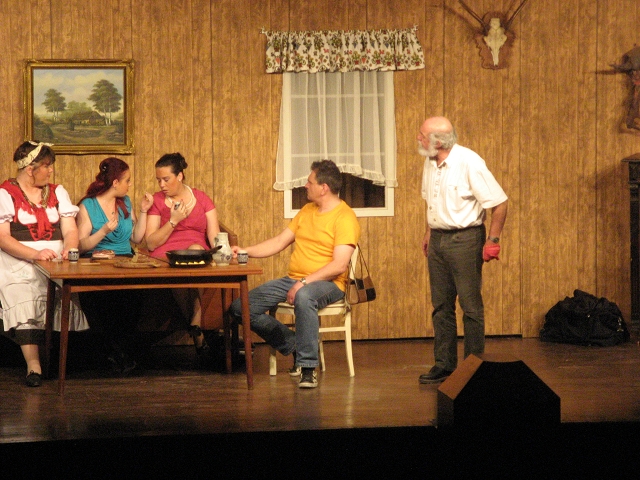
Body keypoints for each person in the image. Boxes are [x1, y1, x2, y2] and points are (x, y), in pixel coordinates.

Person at [229, 159, 360, 389]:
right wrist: (245, 252)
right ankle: (295, 345)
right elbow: (280, 241)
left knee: (304, 296)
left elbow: (339, 265)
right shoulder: (307, 211)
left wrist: (304, 282)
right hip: (295, 279)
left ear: (324, 188)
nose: (305, 186)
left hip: (329, 283)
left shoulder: (345, 217)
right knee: (241, 307)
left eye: (310, 182)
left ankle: (308, 368)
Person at [417, 116, 508, 384]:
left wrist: (493, 240)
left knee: (470, 306)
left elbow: (499, 203)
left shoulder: (469, 162)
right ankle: (444, 365)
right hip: (438, 239)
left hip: (465, 239)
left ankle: (473, 368)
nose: (418, 139)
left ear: (438, 141)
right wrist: (429, 231)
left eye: (422, 135)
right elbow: (432, 201)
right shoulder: (430, 162)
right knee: (441, 306)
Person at [0, 141, 88, 387]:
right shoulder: (5, 194)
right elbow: (3, 238)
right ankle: (34, 366)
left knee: (60, 295)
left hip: (54, 261)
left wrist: (70, 248)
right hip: (19, 259)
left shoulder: (58, 192)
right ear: (30, 169)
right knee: (24, 294)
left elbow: (70, 230)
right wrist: (34, 254)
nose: (51, 171)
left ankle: (57, 361)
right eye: (47, 166)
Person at [76, 157, 153, 373]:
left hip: (125, 261)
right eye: (127, 180)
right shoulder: (88, 205)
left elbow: (136, 238)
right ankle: (116, 353)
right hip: (96, 262)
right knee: (105, 300)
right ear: (116, 182)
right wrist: (102, 231)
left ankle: (119, 353)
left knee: (134, 297)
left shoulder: (125, 202)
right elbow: (80, 246)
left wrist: (144, 211)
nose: (130, 184)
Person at [145, 152, 220, 362]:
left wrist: (222, 254)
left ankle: (194, 324)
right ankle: (196, 327)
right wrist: (174, 221)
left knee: (195, 251)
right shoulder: (157, 201)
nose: (161, 185)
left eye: (166, 179)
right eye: (158, 180)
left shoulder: (201, 198)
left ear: (180, 176)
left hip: (196, 250)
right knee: (178, 263)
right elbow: (150, 242)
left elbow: (215, 236)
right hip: (167, 253)